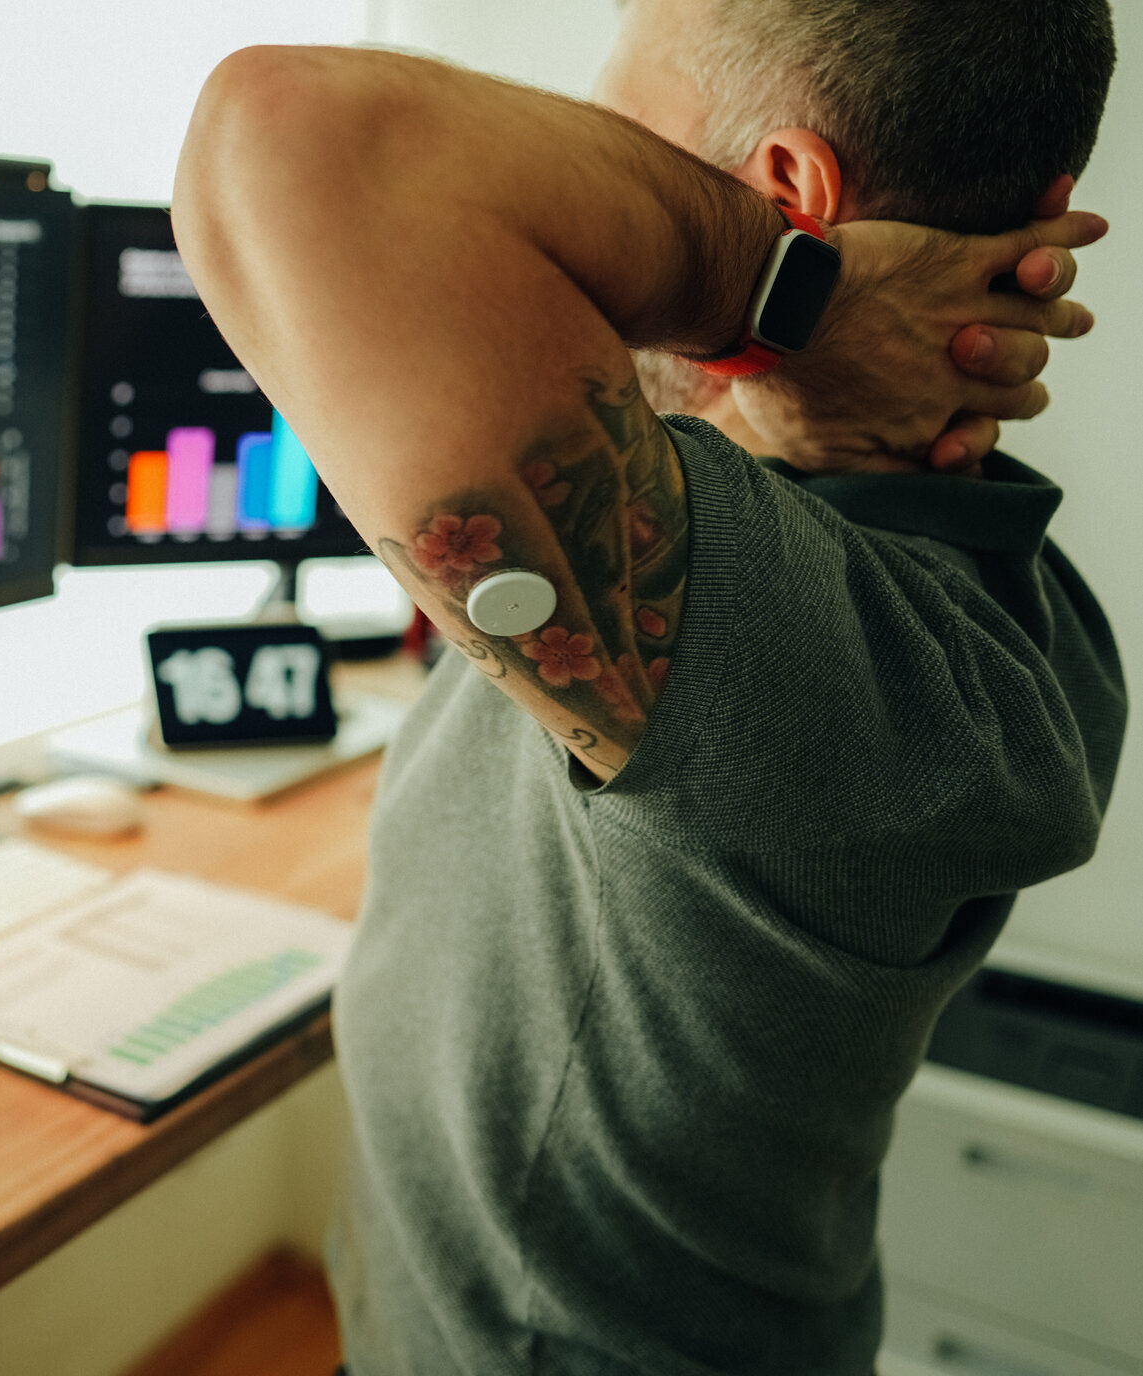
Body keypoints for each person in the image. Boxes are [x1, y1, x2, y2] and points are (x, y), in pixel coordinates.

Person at [173, 0, 1128, 1371]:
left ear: (784, 197)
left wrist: (796, 296)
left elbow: (293, 139)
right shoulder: (979, 584)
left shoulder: (833, 659)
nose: (588, 185)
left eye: (623, 139)